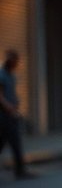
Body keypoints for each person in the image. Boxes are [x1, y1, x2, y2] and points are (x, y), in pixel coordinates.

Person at [0, 50, 35, 179]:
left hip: (11, 115)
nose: (16, 63)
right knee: (12, 141)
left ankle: (20, 170)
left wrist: (15, 105)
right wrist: (8, 107)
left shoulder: (12, 76)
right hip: (3, 115)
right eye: (14, 60)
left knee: (13, 142)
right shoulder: (2, 75)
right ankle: (20, 170)